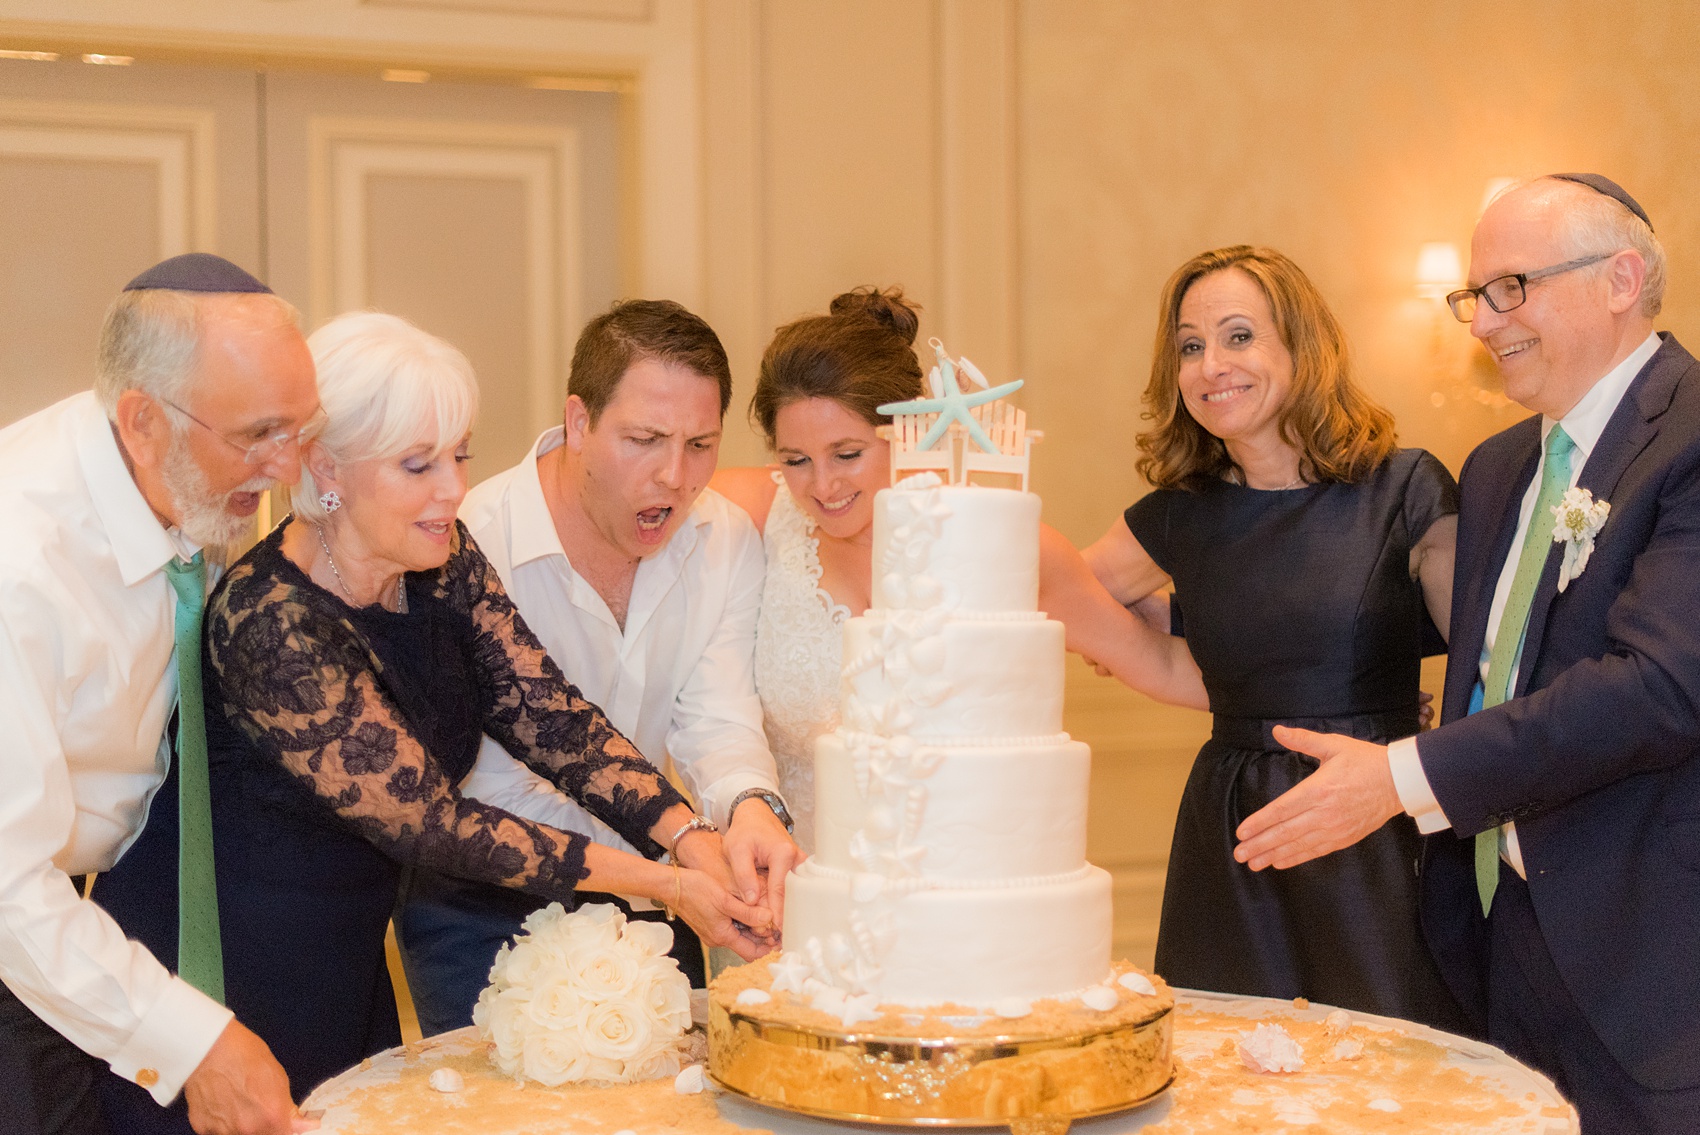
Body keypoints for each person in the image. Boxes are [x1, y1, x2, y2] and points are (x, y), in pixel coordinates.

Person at [93, 311, 771, 1131]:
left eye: (459, 455)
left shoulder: (439, 557)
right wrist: (668, 884)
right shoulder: (270, 620)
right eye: (418, 464)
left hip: (344, 959)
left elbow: (550, 716)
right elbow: (434, 824)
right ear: (324, 466)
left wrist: (692, 836)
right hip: (220, 974)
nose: (452, 488)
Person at [1234, 175, 1700, 1131]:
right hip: (1496, 941)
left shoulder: (1690, 435)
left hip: (1652, 963)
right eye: (1475, 297)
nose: (1483, 323)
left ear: (1621, 279)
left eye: (1510, 287)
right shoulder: (1496, 470)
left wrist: (1398, 776)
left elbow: (1658, 687)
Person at [1080, 245, 1466, 1030]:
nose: (1211, 365)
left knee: (1390, 1075)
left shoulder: (1407, 486)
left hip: (1372, 826)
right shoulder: (1179, 511)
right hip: (1230, 831)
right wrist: (1155, 626)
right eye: (1191, 345)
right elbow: (1069, 597)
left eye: (1238, 336)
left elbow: (1493, 666)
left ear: (1302, 344)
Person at [394, 299, 798, 1036]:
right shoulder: (469, 542)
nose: (676, 476)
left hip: (666, 891)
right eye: (644, 439)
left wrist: (747, 810)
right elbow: (494, 775)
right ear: (579, 422)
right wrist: (682, 857)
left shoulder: (723, 539)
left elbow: (717, 715)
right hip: (483, 902)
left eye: (701, 443)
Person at [0, 254, 321, 1135]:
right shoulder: (19, 563)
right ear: (142, 419)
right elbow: (7, 886)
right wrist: (192, 1043)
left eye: (300, 429)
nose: (285, 466)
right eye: (258, 434)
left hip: (82, 925)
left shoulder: (173, 475)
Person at [713, 288, 1205, 850]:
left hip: (959, 894)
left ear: (909, 428)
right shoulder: (749, 513)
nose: (822, 486)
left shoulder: (1003, 547)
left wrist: (1321, 709)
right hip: (783, 897)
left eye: (847, 454)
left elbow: (1164, 666)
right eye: (795, 460)